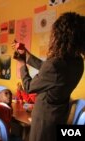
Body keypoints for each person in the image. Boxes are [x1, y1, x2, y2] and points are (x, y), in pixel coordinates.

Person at [13, 12, 85, 141]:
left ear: (60, 36)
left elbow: (29, 87)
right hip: (60, 115)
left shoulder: (55, 64)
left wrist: (22, 64)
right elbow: (50, 72)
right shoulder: (78, 61)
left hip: (44, 119)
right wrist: (27, 55)